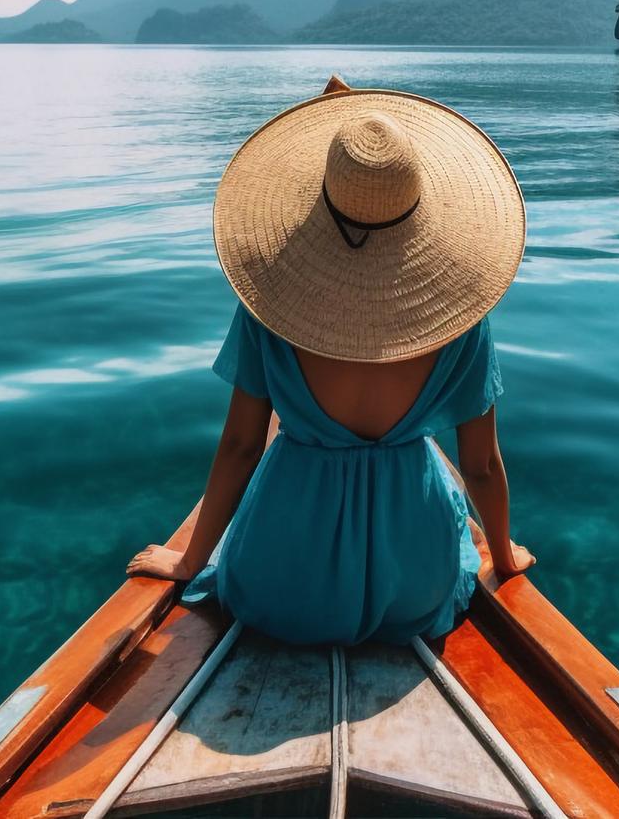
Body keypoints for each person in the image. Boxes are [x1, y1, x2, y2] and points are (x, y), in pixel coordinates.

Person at [127, 75, 534, 646]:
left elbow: (243, 446)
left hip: (281, 581)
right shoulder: (461, 318)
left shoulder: (269, 303)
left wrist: (187, 561)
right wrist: (506, 556)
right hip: (412, 584)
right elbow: (482, 466)